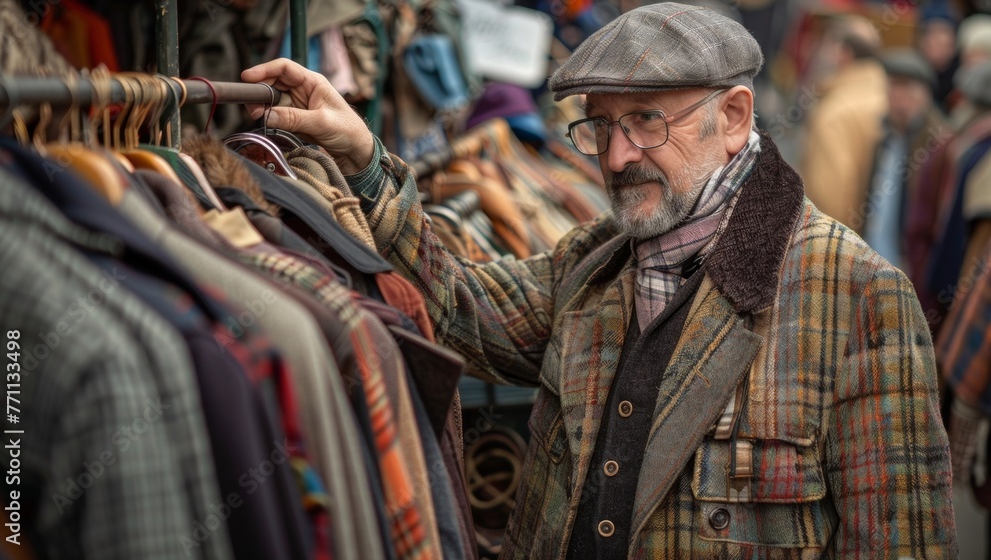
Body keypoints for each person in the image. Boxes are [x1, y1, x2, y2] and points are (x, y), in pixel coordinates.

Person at [241, 3, 957, 557]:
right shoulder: (596, 260)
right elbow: (462, 305)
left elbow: (899, 542)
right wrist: (366, 158)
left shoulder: (861, 298)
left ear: (734, 116)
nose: (616, 157)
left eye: (645, 121)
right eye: (598, 126)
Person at [860, 49, 948, 271]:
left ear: (925, 94)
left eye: (907, 87)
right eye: (893, 86)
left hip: (910, 270)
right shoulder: (884, 140)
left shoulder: (937, 145)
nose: (899, 96)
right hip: (874, 264)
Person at [800, 14, 888, 232]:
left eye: (826, 45)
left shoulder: (833, 112)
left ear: (844, 54)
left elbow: (829, 197)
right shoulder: (886, 96)